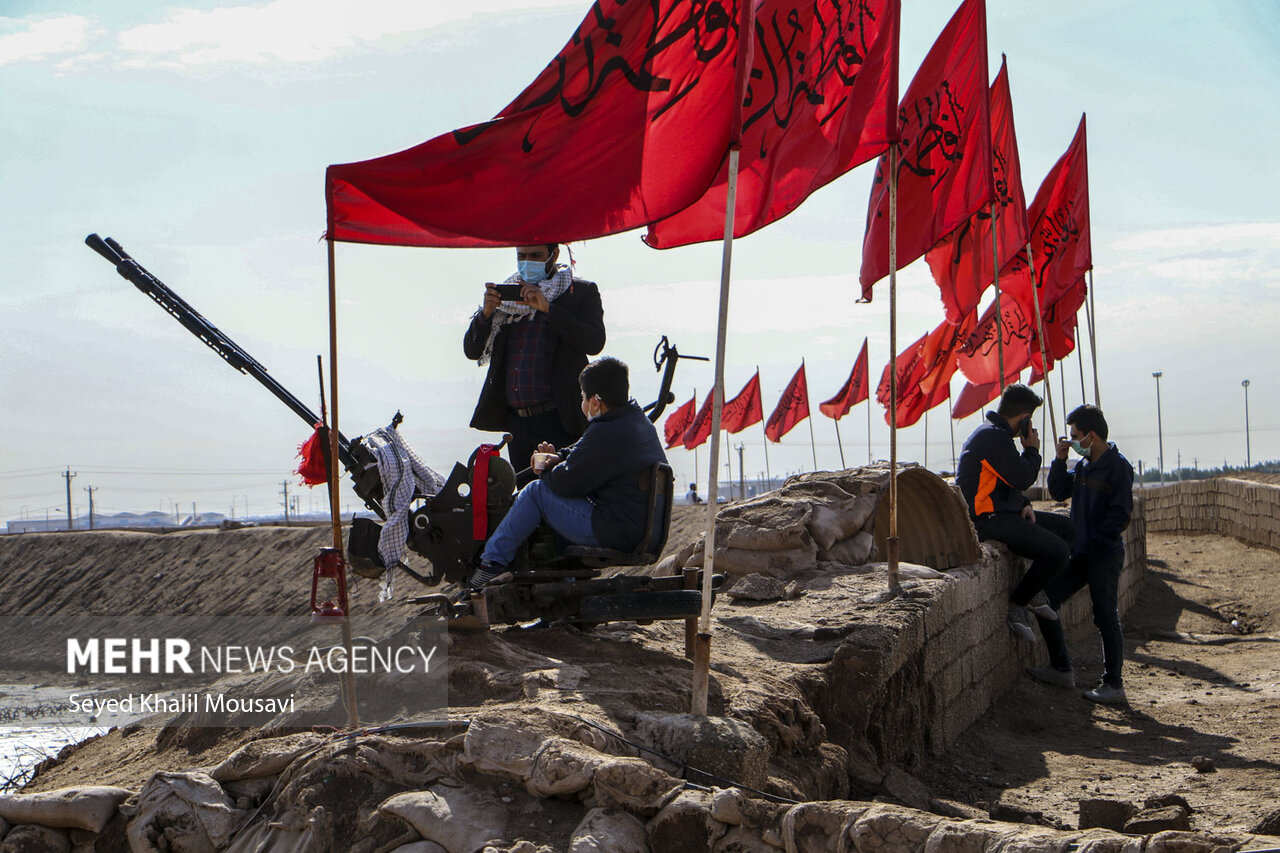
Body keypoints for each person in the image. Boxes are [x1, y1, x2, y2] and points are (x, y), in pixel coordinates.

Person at [466, 356, 667, 589]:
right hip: (644, 530)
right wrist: (559, 457)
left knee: (536, 492)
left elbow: (565, 483)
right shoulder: (635, 422)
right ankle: (564, 585)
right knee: (556, 500)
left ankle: (490, 566)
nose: (582, 404)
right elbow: (583, 452)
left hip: (617, 531)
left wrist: (547, 468)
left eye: (582, 398)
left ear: (595, 402)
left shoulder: (606, 431)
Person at [463, 244, 606, 478]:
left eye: (536, 256)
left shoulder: (578, 291)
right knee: (525, 498)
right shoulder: (509, 300)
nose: (527, 261)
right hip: (518, 423)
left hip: (560, 419)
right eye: (522, 256)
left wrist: (548, 309)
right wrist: (486, 314)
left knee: (560, 492)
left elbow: (594, 341)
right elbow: (472, 350)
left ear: (554, 255)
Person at [1026, 405, 1135, 705]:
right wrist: (1060, 461)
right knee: (1046, 598)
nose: (1071, 441)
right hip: (1080, 555)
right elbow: (1059, 491)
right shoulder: (1083, 467)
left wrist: (1095, 540)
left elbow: (1121, 514)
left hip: (1103, 556)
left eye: (1074, 436)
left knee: (1105, 616)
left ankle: (1113, 684)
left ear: (1091, 436)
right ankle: (1061, 667)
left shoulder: (1118, 467)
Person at [956, 383, 1073, 641]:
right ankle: (1019, 602)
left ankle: (1036, 589)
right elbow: (1021, 477)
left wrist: (1024, 505)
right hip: (986, 519)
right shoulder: (993, 437)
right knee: (1059, 553)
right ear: (1025, 418)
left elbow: (1005, 482)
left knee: (1068, 529)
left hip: (1003, 513)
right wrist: (1032, 449)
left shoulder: (996, 435)